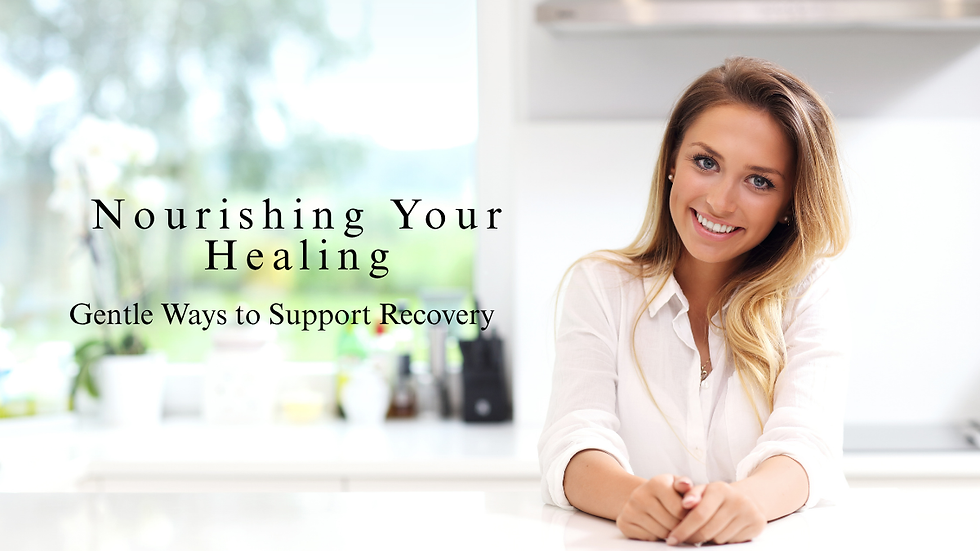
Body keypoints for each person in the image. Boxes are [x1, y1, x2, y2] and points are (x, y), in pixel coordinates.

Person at [538, 57, 851, 546]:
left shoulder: (809, 290)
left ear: (792, 202)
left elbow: (807, 443)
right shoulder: (599, 286)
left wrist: (749, 502)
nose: (722, 202)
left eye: (760, 181)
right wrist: (631, 498)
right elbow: (573, 440)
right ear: (671, 163)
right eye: (706, 162)